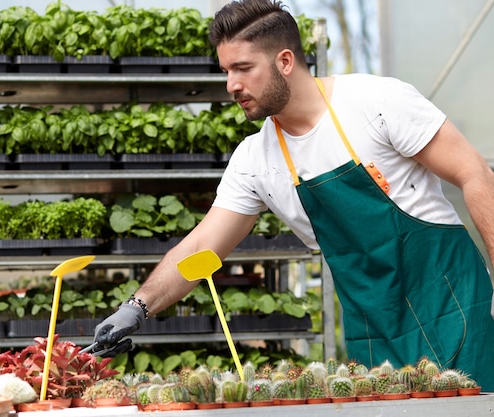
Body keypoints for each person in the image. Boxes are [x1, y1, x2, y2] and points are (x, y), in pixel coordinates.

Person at [92, 0, 494, 390]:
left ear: (285, 61)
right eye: (226, 70)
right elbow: (201, 245)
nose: (231, 84)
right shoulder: (255, 159)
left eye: (243, 68)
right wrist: (137, 307)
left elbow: (474, 174)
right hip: (374, 330)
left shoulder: (376, 102)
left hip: (454, 309)